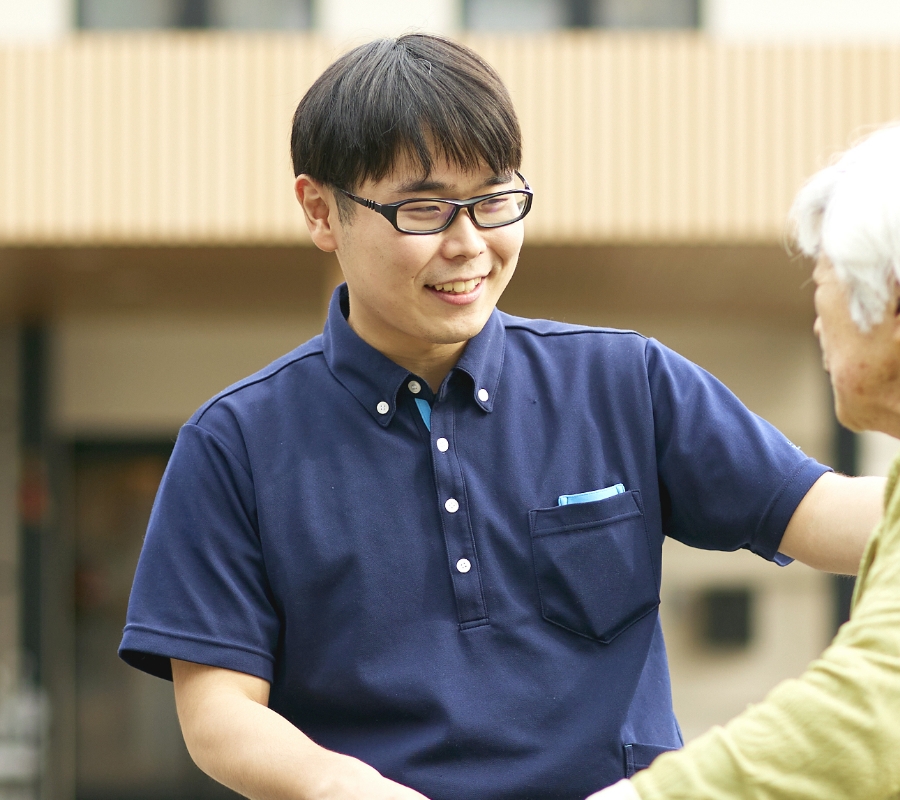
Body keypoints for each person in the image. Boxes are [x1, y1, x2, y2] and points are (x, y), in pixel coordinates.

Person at [118, 35, 884, 800]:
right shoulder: (234, 444)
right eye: (424, 209)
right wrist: (339, 787)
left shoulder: (624, 380)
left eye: (493, 201)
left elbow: (830, 515)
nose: (469, 244)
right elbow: (217, 710)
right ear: (321, 211)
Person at [588, 124, 900, 800]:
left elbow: (872, 708)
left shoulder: (626, 378)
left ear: (893, 298)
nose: (819, 318)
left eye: (823, 280)